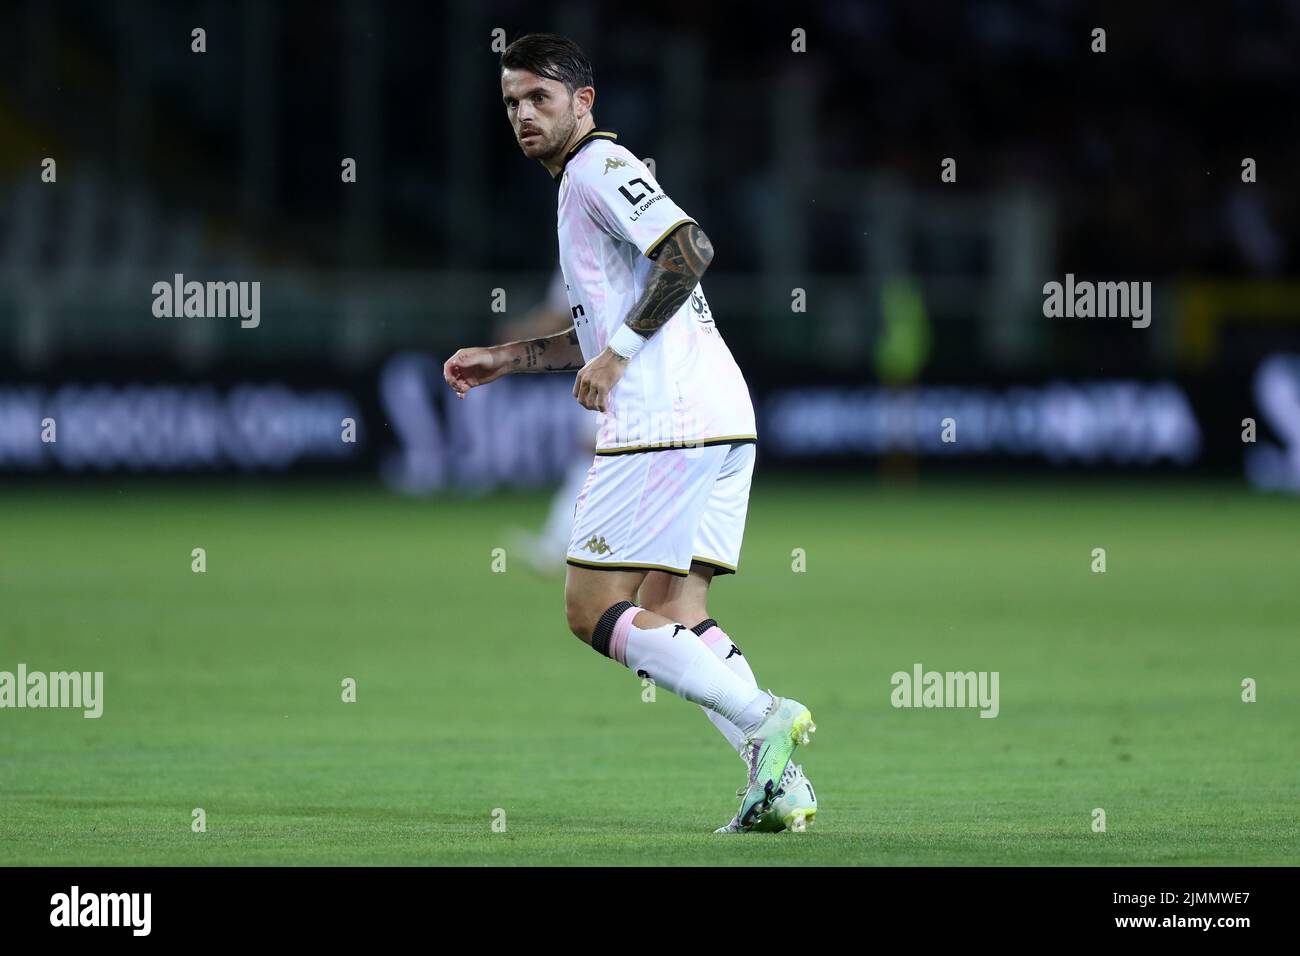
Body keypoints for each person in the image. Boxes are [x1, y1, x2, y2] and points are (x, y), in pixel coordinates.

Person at [443, 33, 816, 832]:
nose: (522, 115)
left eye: (540, 97)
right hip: (720, 414)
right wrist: (509, 357)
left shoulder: (597, 168)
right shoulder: (585, 181)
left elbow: (691, 250)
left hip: (666, 420)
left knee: (590, 609)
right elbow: (607, 320)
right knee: (674, 609)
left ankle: (765, 716)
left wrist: (615, 358)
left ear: (584, 103)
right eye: (511, 102)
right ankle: (781, 786)